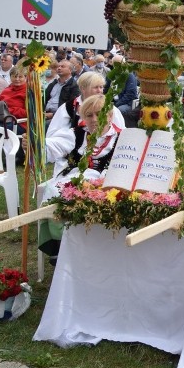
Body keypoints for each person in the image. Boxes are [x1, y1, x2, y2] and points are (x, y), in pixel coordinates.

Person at [38, 94, 123, 262]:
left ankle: (101, 249)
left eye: (99, 113)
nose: (94, 119)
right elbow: (52, 146)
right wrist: (36, 143)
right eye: (89, 115)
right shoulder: (75, 134)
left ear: (110, 115)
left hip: (108, 185)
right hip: (74, 180)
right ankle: (60, 245)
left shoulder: (123, 137)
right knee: (55, 191)